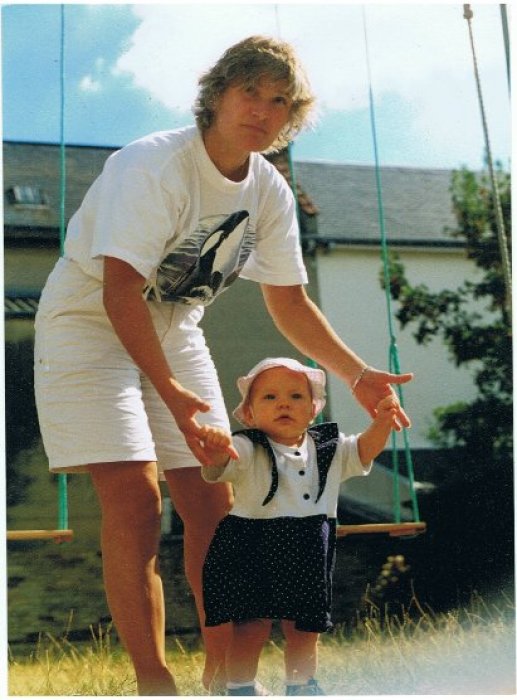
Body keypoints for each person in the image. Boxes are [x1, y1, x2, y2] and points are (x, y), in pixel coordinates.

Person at [33, 35, 412, 696]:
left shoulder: (269, 191)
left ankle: (226, 679)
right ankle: (156, 683)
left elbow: (289, 303)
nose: (262, 111)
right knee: (133, 498)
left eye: (279, 103)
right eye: (250, 93)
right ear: (217, 94)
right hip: (88, 323)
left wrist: (357, 373)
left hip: (175, 327)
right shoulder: (153, 164)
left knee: (217, 506)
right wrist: (174, 395)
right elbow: (119, 290)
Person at [199, 357, 402, 696]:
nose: (283, 403)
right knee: (251, 625)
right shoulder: (249, 446)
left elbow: (363, 450)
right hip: (254, 546)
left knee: (305, 628)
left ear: (313, 409)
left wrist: (382, 422)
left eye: (296, 396)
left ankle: (301, 685)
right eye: (269, 397)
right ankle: (240, 686)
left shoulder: (328, 448)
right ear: (249, 414)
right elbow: (222, 464)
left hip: (308, 547)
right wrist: (216, 450)